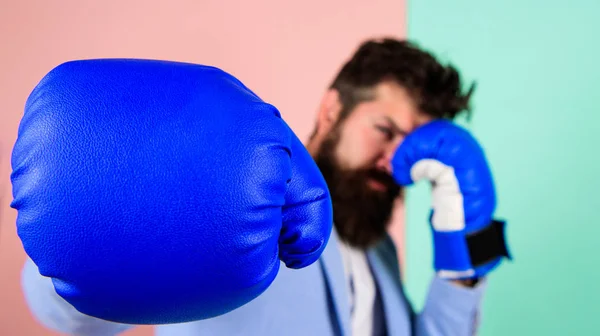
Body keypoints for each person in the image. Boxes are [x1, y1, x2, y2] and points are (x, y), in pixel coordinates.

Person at [19, 38, 509, 335]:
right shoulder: (233, 198)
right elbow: (76, 315)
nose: (397, 161)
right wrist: (88, 214)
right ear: (332, 110)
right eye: (386, 132)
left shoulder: (377, 246)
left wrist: (462, 252)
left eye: (419, 146)